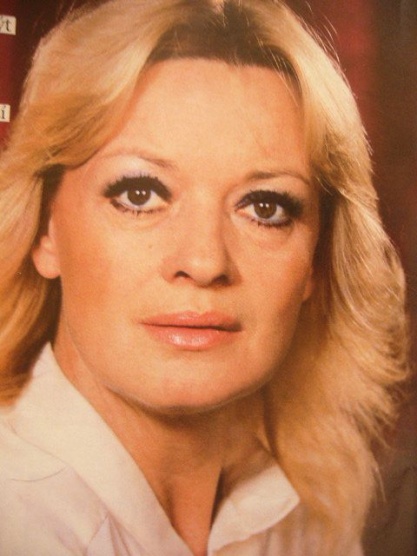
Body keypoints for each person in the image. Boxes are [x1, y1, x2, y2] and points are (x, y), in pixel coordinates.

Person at [0, 0, 409, 554]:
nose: (205, 261)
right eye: (139, 194)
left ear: (316, 260)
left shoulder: (308, 516)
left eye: (264, 207)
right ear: (45, 231)